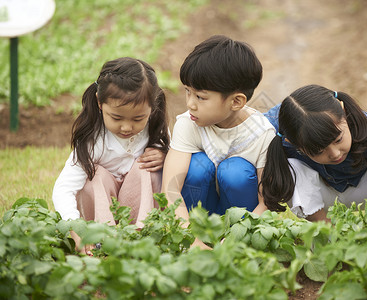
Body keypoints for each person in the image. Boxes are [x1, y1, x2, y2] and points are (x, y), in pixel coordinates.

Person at [262, 84, 367, 221]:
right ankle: (326, 234)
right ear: (293, 143)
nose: (335, 154)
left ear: (343, 111)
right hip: (325, 195)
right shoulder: (285, 129)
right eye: (319, 151)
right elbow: (250, 123)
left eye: (338, 140)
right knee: (292, 167)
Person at [53, 57, 170, 252]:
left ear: (152, 107)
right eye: (116, 117)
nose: (126, 127)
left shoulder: (156, 129)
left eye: (138, 118)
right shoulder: (93, 140)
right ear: (100, 103)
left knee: (146, 169)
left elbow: (178, 163)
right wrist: (75, 229)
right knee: (95, 175)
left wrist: (166, 156)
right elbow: (63, 188)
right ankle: (101, 241)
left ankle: (143, 237)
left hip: (139, 206)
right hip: (101, 210)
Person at [161, 35, 275, 230]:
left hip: (242, 224)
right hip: (196, 221)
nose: (190, 104)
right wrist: (192, 239)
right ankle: (196, 233)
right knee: (197, 167)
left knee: (235, 171)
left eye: (200, 97)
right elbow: (170, 191)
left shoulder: (262, 135)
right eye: (187, 91)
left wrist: (234, 239)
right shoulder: (188, 123)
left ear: (236, 102)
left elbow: (267, 203)